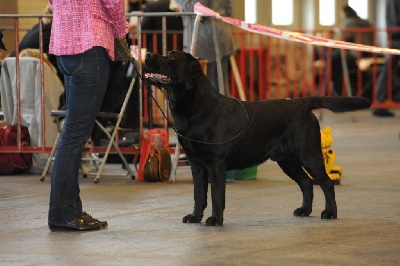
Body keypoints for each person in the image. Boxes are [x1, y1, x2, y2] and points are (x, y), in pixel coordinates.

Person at [47, 0, 128, 231]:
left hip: (64, 46)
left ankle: (71, 210)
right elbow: (113, 2)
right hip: (90, 44)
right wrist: (121, 30)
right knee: (75, 135)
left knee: (72, 134)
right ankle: (63, 213)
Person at [175, 0, 234, 94]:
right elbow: (229, 10)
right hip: (223, 34)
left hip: (205, 37)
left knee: (207, 87)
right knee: (221, 84)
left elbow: (196, 7)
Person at [330, 5, 374, 97]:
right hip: (370, 52)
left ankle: (338, 92)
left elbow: (343, 39)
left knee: (334, 58)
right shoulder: (365, 22)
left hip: (357, 54)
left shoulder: (348, 22)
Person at [372, 0, 400, 117]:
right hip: (397, 36)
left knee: (388, 70)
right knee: (388, 70)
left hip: (394, 36)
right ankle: (379, 101)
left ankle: (379, 100)